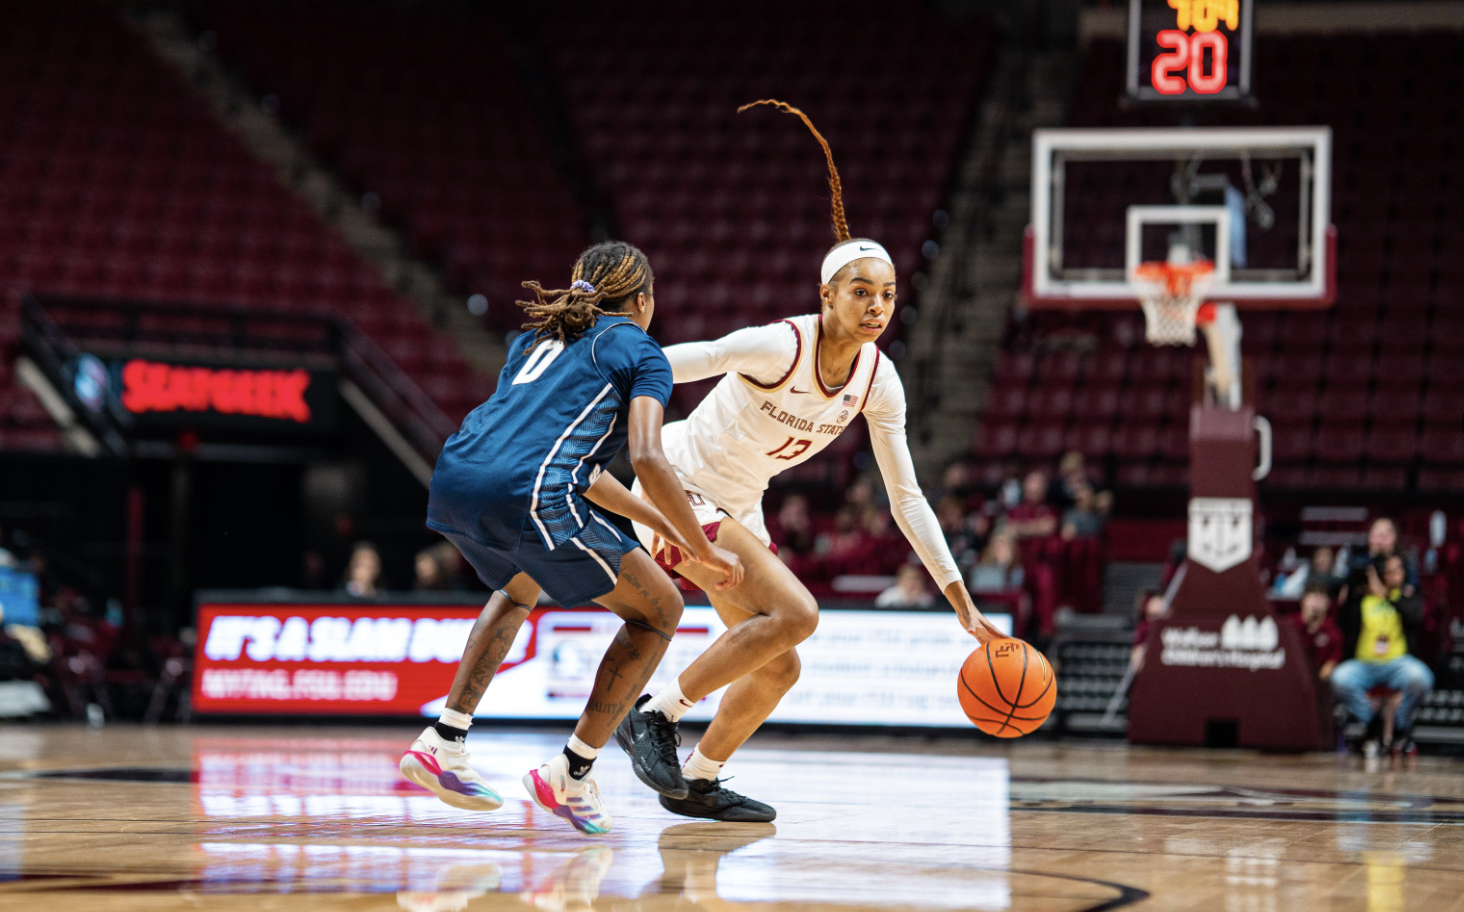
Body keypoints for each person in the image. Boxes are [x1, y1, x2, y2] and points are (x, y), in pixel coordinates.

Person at [615, 100, 1005, 823]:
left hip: (738, 500)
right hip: (680, 482)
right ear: (826, 295)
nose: (877, 305)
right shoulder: (780, 345)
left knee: (782, 662)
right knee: (800, 612)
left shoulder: (878, 380)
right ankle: (655, 716)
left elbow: (907, 498)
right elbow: (683, 359)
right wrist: (595, 375)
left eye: (887, 294)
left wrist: (961, 601)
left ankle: (699, 777)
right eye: (861, 291)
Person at [398, 241, 743, 835]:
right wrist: (703, 549)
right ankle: (573, 771)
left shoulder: (534, 340)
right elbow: (648, 457)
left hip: (454, 480)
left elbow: (587, 469)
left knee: (518, 584)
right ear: (644, 300)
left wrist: (662, 525)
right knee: (661, 608)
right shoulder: (642, 351)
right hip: (527, 493)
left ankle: (444, 739)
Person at [1332, 553, 1434, 755]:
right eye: (1389, 571)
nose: (1393, 575)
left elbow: (1415, 616)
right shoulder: (1362, 598)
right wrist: (1349, 591)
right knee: (1339, 679)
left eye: (1398, 571)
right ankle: (1371, 719)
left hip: (1397, 664)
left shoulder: (1406, 595)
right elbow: (1343, 621)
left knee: (1421, 678)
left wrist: (1386, 594)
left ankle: (1400, 722)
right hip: (1364, 664)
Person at [1292, 584, 1343, 684]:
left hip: (1318, 683)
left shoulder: (1333, 631)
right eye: (1313, 595)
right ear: (1303, 600)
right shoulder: (1289, 625)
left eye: (1322, 596)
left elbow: (1331, 663)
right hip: (1289, 677)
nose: (1317, 599)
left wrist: (1313, 686)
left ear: (1328, 603)